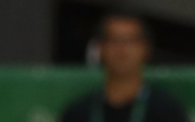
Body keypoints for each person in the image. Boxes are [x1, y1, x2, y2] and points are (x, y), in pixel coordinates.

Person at [60, 12, 188, 122]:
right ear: (99, 47)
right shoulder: (78, 113)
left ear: (146, 48)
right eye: (114, 40)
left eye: (130, 40)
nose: (122, 49)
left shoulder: (167, 111)